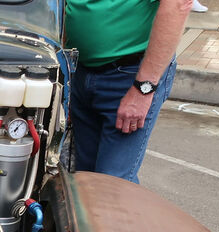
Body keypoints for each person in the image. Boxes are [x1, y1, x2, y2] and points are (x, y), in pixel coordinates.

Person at [65, 0, 192, 183]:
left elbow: (178, 5)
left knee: (112, 184)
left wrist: (143, 88)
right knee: (86, 181)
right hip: (81, 69)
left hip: (129, 75)